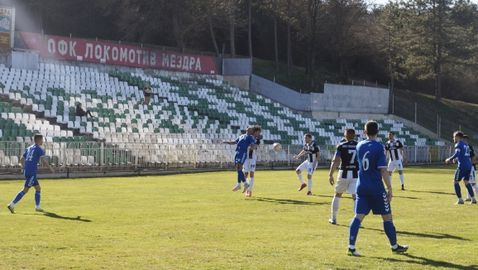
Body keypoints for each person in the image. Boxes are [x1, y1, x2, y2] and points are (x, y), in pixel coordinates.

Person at [348, 121, 408, 256]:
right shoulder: (378, 147)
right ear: (378, 132)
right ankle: (394, 246)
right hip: (375, 187)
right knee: (387, 217)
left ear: (364, 132)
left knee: (358, 217)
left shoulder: (359, 145)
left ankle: (351, 247)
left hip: (361, 186)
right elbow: (383, 170)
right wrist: (390, 188)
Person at [7, 134, 54, 213]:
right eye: (42, 140)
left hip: (28, 171)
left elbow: (22, 159)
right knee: (25, 190)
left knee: (38, 188)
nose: (43, 141)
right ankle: (11, 204)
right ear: (39, 140)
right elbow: (43, 160)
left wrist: (25, 167)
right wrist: (50, 168)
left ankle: (37, 207)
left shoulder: (29, 148)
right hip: (32, 172)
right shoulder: (39, 149)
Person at [328, 129, 358, 225]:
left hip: (344, 173)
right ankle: (357, 220)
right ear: (354, 135)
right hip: (355, 174)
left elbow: (336, 161)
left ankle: (333, 218)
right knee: (355, 197)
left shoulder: (341, 146)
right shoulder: (359, 145)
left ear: (345, 135)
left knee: (337, 195)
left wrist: (330, 174)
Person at [224, 126, 261, 192]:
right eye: (257, 132)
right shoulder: (242, 136)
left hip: (248, 156)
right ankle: (240, 184)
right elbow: (235, 142)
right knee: (240, 169)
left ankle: (248, 189)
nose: (249, 128)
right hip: (239, 153)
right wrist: (227, 142)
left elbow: (254, 145)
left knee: (248, 172)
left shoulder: (251, 138)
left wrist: (254, 146)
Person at [445, 131, 476, 204]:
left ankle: (460, 199)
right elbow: (465, 155)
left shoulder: (458, 144)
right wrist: (456, 159)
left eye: (454, 137)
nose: (453, 138)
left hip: (462, 166)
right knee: (466, 181)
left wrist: (450, 159)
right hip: (469, 166)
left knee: (455, 182)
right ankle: (473, 199)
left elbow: (457, 153)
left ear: (458, 137)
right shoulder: (466, 145)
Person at [243, 133, 262, 197]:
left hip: (252, 158)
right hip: (246, 158)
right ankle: (248, 189)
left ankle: (249, 191)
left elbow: (254, 147)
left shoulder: (256, 140)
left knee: (251, 174)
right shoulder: (246, 138)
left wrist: (253, 145)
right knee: (245, 174)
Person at [463, 135, 478, 200]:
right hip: (465, 168)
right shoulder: (463, 147)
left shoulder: (468, 147)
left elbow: (474, 156)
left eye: (463, 139)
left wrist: (471, 163)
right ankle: (468, 197)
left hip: (471, 168)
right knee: (467, 182)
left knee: (473, 183)